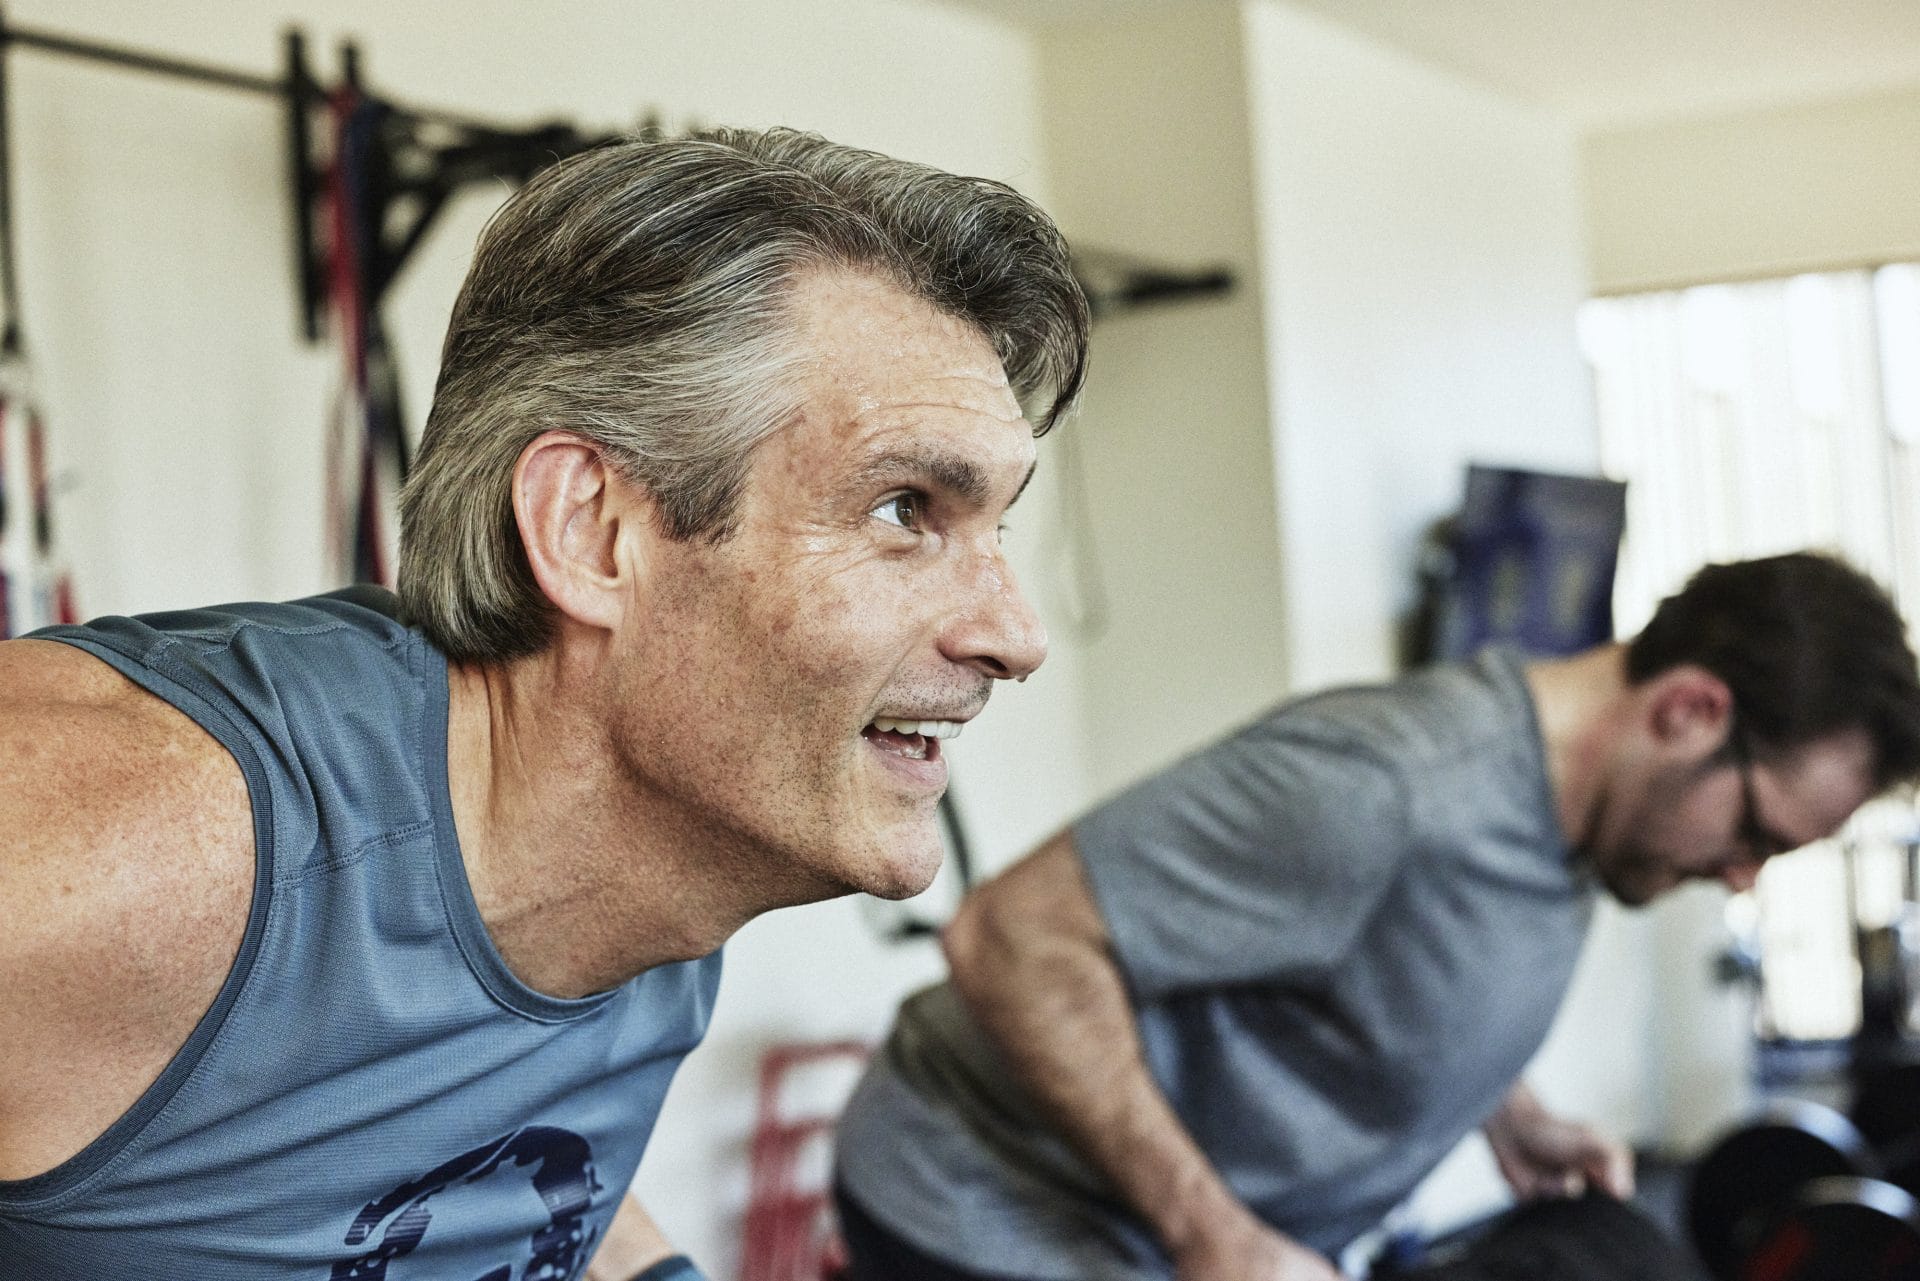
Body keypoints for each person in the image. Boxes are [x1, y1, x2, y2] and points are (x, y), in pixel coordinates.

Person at [0, 127, 1087, 1281]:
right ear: (593, 533)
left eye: (996, 526)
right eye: (903, 509)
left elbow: (472, 1147)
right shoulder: (130, 842)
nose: (1017, 636)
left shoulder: (662, 848)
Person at [832, 551, 1920, 1281]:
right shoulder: (1391, 784)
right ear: (1688, 711)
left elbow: (1402, 958)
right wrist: (1214, 1235)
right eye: (1757, 834)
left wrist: (1506, 1107)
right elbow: (1013, 935)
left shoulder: (1590, 818)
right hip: (985, 1206)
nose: (1742, 877)